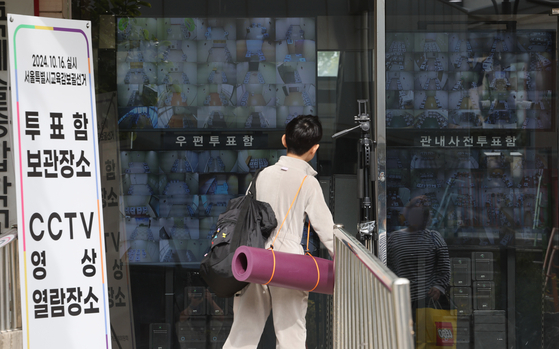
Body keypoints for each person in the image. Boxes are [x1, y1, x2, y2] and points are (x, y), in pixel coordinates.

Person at [223, 115, 334, 349]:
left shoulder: (261, 175)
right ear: (314, 149)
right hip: (288, 264)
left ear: (284, 140)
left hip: (254, 257)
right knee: (290, 334)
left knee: (243, 333)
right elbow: (327, 233)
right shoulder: (308, 182)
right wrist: (347, 264)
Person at [387, 195, 451, 315]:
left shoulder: (434, 237)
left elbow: (444, 268)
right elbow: (387, 267)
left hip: (427, 301)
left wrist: (438, 287)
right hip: (400, 299)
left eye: (420, 214)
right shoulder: (394, 238)